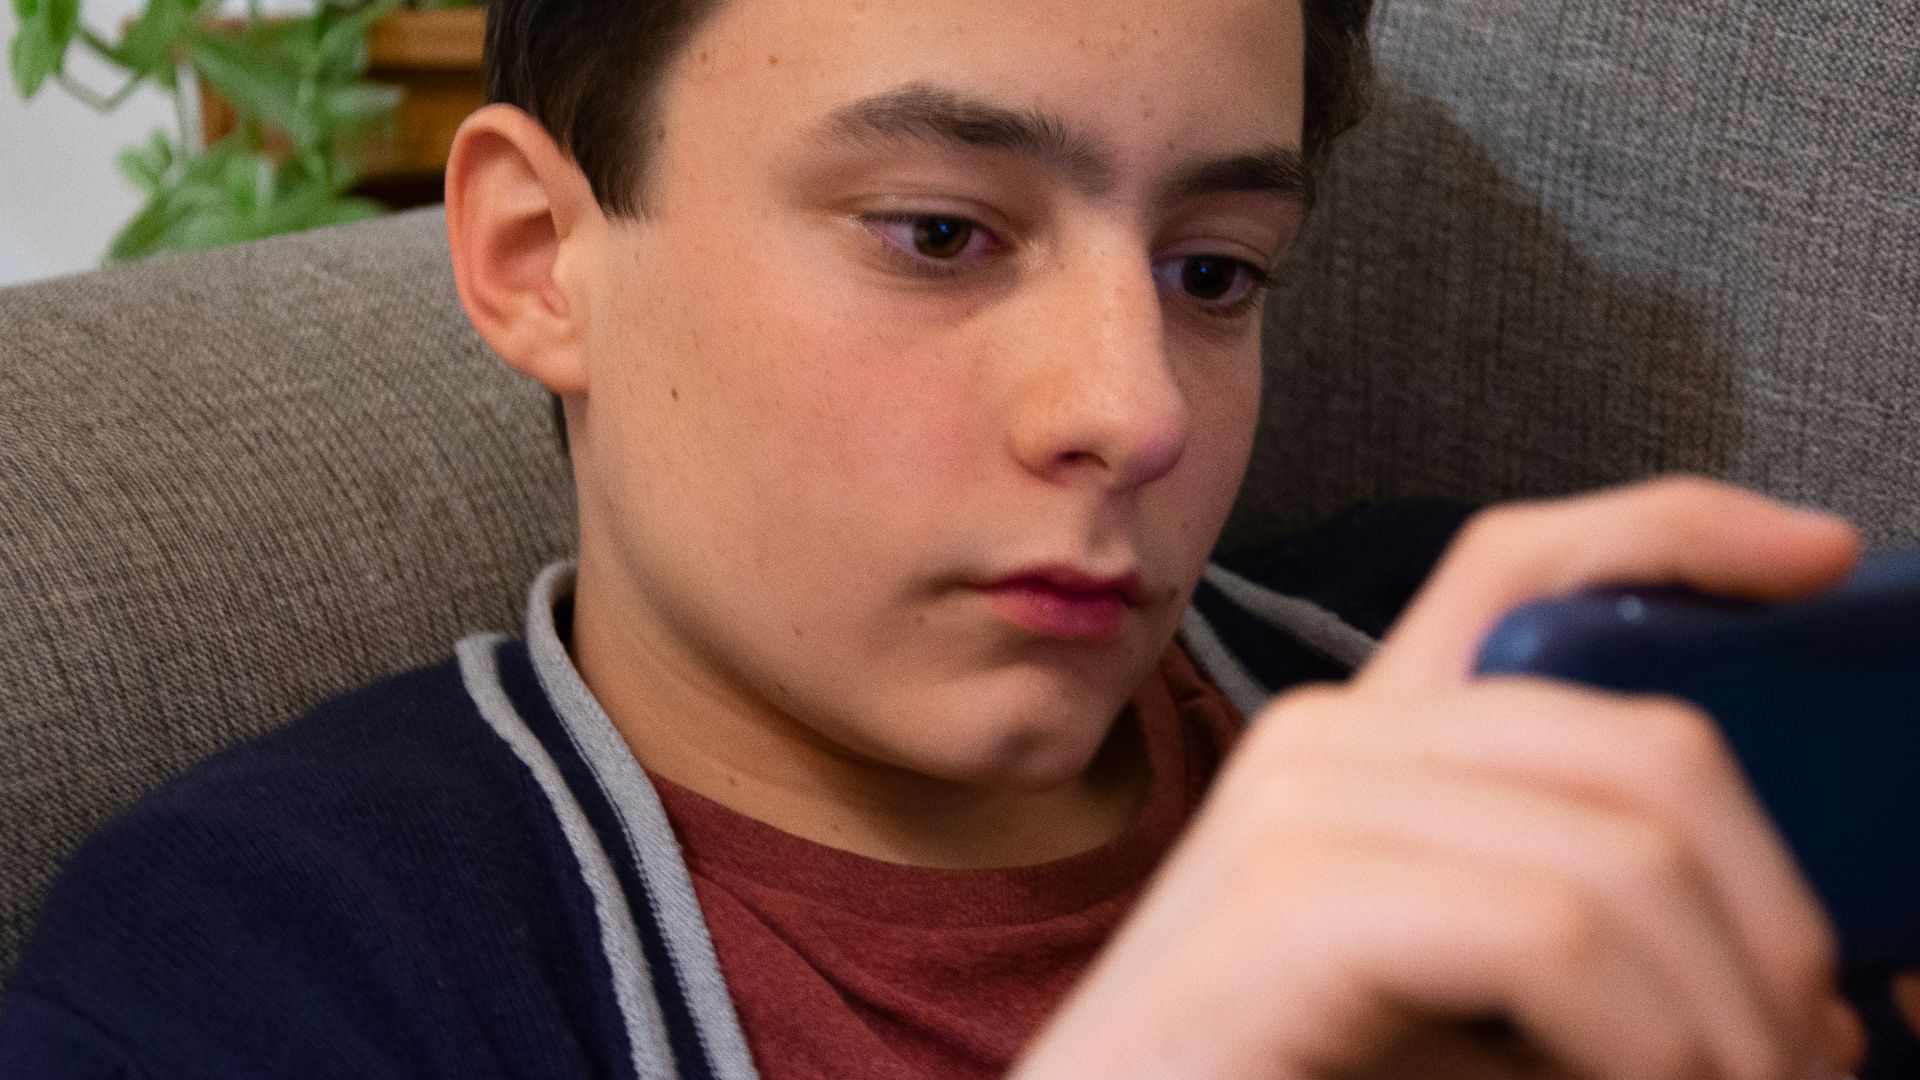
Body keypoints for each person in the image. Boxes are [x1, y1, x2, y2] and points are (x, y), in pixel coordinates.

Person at [2, 0, 1916, 1076]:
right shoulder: (259, 968)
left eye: (1215, 269)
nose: (1138, 405)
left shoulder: (1471, 677)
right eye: (941, 232)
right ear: (539, 259)